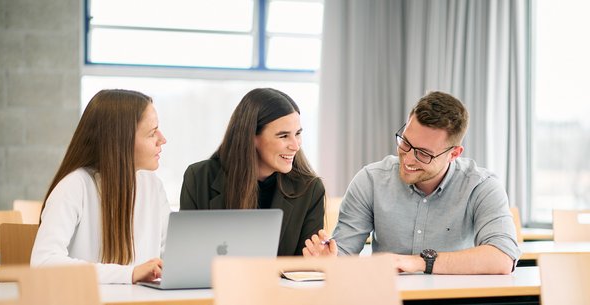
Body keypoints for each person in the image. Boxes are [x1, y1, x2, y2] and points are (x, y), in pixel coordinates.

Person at [303, 91, 520, 274]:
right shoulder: (370, 181)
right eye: (405, 142)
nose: (408, 159)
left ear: (454, 153)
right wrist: (329, 260)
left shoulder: (481, 186)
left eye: (424, 154)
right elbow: (343, 254)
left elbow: (502, 257)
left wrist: (419, 261)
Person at [31, 89, 170, 284]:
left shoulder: (153, 186)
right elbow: (43, 262)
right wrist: (129, 274)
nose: (162, 140)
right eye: (152, 133)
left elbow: (171, 256)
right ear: (121, 140)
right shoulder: (74, 186)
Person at [180, 88, 324, 255]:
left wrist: (320, 262)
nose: (295, 145)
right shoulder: (199, 178)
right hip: (216, 281)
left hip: (276, 282)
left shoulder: (310, 189)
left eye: (297, 134)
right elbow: (188, 255)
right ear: (252, 137)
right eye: (283, 136)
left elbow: (304, 271)